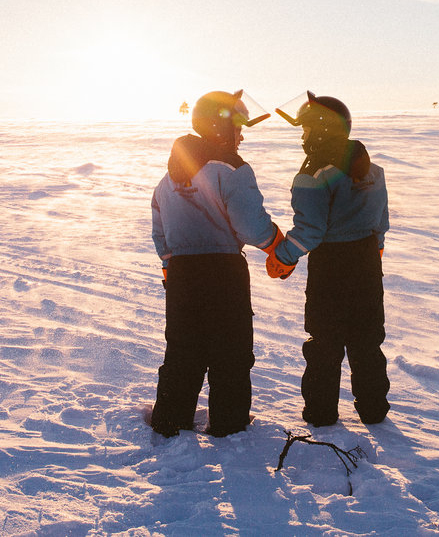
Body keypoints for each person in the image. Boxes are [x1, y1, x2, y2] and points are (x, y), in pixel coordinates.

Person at [150, 90, 282, 437]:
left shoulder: (169, 178)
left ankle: (170, 421)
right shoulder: (231, 168)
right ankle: (228, 425)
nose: (242, 135)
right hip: (223, 272)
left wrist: (171, 269)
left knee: (183, 350)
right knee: (231, 352)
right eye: (238, 127)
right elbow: (251, 226)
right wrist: (277, 244)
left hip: (181, 275)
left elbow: (159, 231)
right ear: (220, 128)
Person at [266, 92, 391, 427]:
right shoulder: (374, 170)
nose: (303, 137)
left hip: (331, 268)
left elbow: (310, 230)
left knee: (325, 341)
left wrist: (283, 256)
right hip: (366, 263)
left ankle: (321, 413)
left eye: (305, 130)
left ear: (320, 132)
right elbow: (381, 221)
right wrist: (373, 252)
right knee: (367, 338)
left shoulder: (313, 173)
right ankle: (374, 408)